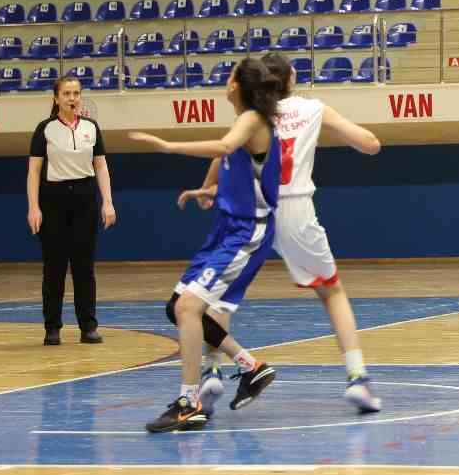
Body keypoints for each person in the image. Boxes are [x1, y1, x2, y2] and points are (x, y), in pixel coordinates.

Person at [179, 52, 385, 413]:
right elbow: (369, 143)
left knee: (220, 298)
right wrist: (363, 138)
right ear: (291, 77)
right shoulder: (312, 108)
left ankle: (212, 370)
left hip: (252, 212)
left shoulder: (253, 116)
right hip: (296, 211)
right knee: (332, 292)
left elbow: (222, 154)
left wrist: (208, 187)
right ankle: (358, 379)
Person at [130, 56, 286, 433]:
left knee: (187, 307)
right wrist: (211, 189)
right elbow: (243, 169)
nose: (225, 78)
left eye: (230, 74)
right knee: (177, 307)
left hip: (245, 233)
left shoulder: (251, 118)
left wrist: (167, 145)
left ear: (238, 84)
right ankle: (252, 366)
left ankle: (189, 402)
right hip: (228, 228)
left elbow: (223, 145)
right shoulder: (246, 119)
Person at [27, 73, 115, 346]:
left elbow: (100, 166)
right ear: (56, 98)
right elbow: (34, 171)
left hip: (85, 199)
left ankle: (88, 326)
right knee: (54, 268)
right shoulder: (44, 129)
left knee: (84, 267)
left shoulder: (91, 127)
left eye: (76, 93)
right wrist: (34, 207)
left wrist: (108, 202)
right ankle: (52, 328)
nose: (72, 98)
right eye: (66, 94)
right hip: (53, 200)